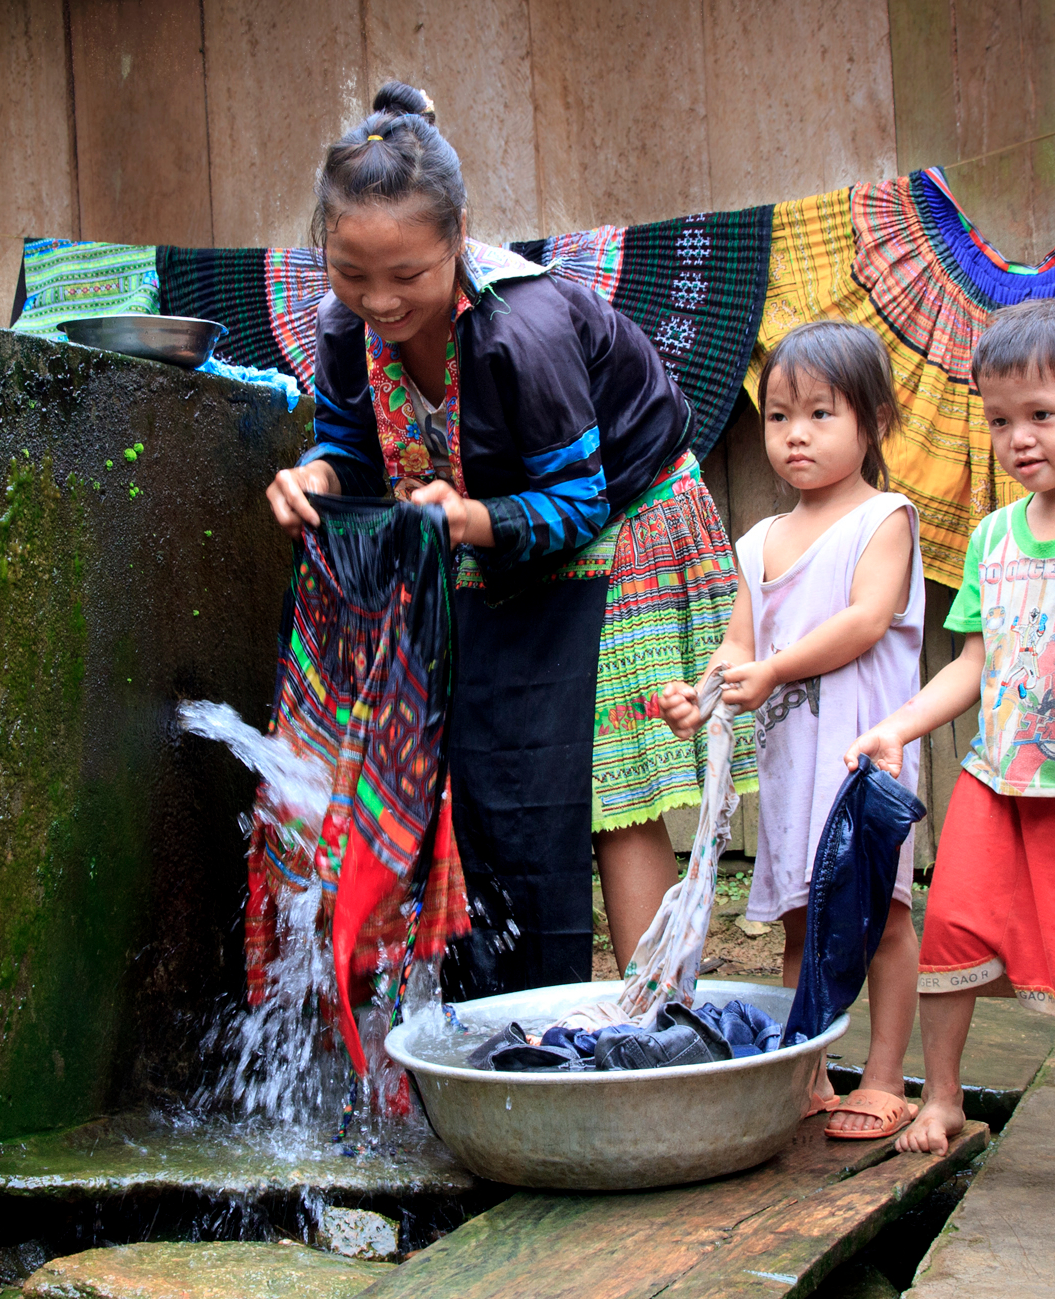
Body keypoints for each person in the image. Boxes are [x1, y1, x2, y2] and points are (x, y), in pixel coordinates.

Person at [264, 82, 751, 993]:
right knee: (486, 760)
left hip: (625, 518)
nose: (377, 300)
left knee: (610, 780)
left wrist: (471, 518)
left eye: (406, 275)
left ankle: (653, 1013)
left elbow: (574, 498)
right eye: (351, 274)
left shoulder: (521, 330)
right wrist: (316, 482)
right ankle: (501, 1007)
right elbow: (344, 443)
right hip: (484, 529)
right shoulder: (343, 328)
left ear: (457, 240)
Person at [846, 297, 1055, 1204]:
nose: (1018, 438)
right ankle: (940, 1097)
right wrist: (902, 723)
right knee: (952, 937)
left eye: (1041, 415)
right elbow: (976, 663)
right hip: (993, 781)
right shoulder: (991, 536)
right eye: (999, 420)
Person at [660, 320, 924, 1138]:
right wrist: (700, 694)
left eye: (820, 414)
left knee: (879, 915)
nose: (795, 434)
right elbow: (740, 645)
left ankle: (882, 1077)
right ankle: (805, 1066)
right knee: (805, 920)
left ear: (874, 422)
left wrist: (773, 671)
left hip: (859, 753)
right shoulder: (760, 540)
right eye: (778, 417)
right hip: (790, 758)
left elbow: (866, 620)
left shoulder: (885, 517)